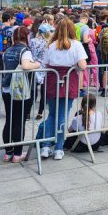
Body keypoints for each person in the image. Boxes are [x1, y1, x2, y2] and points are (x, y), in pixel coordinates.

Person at [39, 18, 88, 160]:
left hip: (53, 81)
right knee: (63, 115)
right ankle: (59, 148)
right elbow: (83, 65)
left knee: (52, 115)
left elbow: (45, 64)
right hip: (69, 81)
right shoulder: (76, 45)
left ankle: (46, 146)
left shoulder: (51, 45)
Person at [1, 26, 41, 163]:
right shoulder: (25, 51)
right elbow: (25, 66)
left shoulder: (7, 51)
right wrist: (36, 64)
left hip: (7, 89)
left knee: (10, 120)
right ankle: (18, 153)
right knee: (19, 121)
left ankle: (8, 152)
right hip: (21, 90)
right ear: (26, 37)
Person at [30, 23, 54, 120]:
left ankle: (27, 112)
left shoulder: (32, 41)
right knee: (44, 92)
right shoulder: (49, 43)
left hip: (33, 66)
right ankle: (40, 112)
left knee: (33, 92)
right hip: (44, 67)